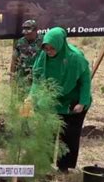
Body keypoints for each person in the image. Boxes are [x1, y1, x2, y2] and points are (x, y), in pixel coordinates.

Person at [32, 27, 92, 173]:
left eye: (52, 48)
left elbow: (85, 80)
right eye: (46, 48)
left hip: (73, 99)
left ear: (60, 45)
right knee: (48, 132)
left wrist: (82, 102)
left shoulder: (75, 57)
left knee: (69, 134)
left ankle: (64, 166)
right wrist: (33, 97)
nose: (49, 51)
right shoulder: (43, 56)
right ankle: (44, 164)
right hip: (51, 99)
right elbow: (37, 77)